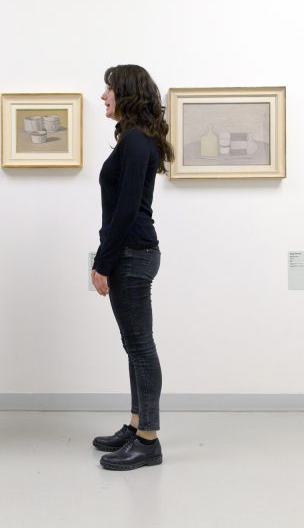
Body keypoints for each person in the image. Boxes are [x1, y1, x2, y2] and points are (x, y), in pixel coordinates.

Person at [91, 65, 174, 470]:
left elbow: (125, 212)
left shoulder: (136, 141)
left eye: (109, 90)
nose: (103, 97)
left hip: (131, 253)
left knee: (140, 346)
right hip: (132, 251)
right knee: (135, 344)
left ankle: (148, 440)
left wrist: (102, 262)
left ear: (126, 93)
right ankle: (137, 423)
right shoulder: (133, 139)